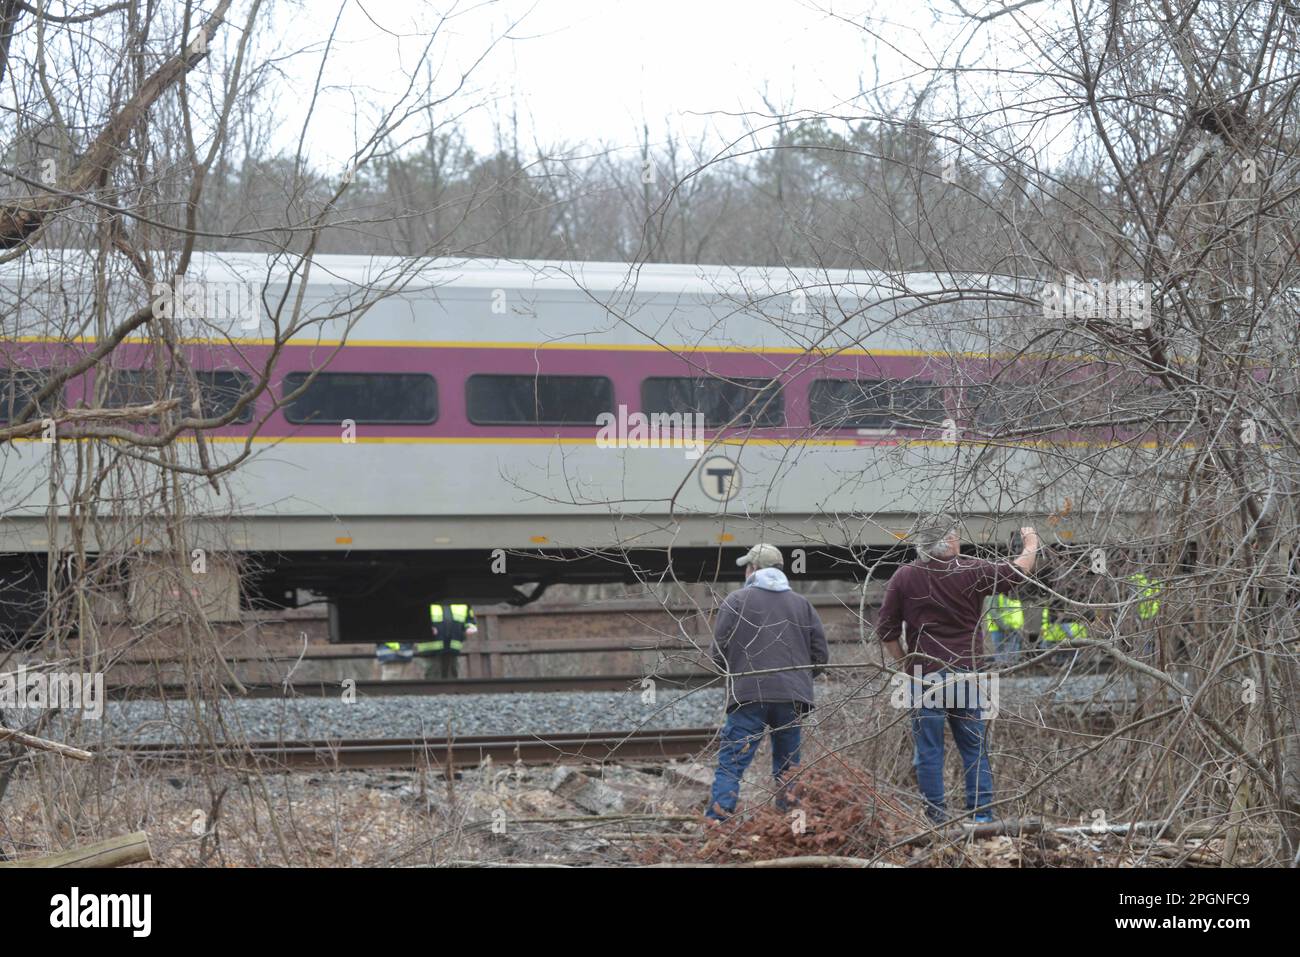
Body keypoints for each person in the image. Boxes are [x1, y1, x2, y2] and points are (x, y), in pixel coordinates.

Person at [876, 515, 1039, 825]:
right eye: (957, 536)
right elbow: (1018, 573)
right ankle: (981, 817)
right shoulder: (971, 569)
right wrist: (1031, 542)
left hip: (925, 675)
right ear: (949, 540)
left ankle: (936, 819)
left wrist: (908, 665)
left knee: (929, 751)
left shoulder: (904, 577)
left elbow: (886, 631)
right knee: (974, 748)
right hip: (969, 672)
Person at [706, 544, 829, 822]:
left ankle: (718, 823)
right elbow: (820, 655)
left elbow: (718, 651)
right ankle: (790, 825)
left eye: (747, 567)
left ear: (753, 569)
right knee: (789, 768)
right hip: (792, 698)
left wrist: (736, 676)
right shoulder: (802, 605)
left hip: (748, 696)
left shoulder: (736, 600)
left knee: (731, 766)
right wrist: (797, 681)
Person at [421, 603, 478, 679]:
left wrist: (470, 627)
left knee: (452, 675)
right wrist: (426, 628)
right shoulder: (425, 599)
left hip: (453, 646)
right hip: (432, 647)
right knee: (433, 675)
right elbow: (416, 619)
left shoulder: (462, 601)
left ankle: (451, 690)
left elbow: (469, 620)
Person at [984, 592, 1025, 666]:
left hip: (1013, 628)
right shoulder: (997, 595)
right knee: (1001, 651)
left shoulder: (1014, 595)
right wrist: (1004, 626)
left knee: (1012, 650)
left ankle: (1012, 669)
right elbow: (992, 612)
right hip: (999, 628)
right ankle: (1002, 670)